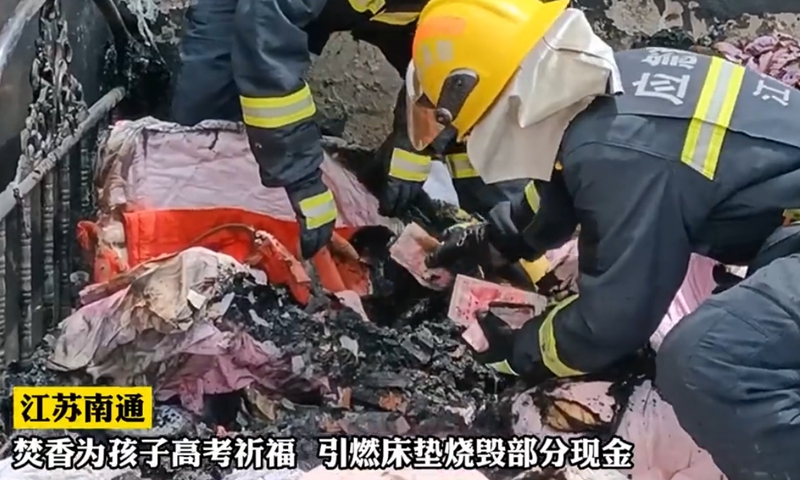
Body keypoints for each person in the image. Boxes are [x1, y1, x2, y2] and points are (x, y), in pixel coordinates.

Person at [406, 0, 800, 477]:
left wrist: (519, 351)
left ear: (478, 93)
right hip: (786, 232)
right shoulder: (618, 86)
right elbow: (567, 182)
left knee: (707, 361)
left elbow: (613, 321)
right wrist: (493, 241)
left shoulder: (617, 151)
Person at [169, 0, 520, 260]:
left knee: (465, 114)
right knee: (202, 126)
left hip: (400, 14)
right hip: (256, 8)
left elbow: (457, 74)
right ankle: (182, 244)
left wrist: (416, 146)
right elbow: (266, 54)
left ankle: (505, 235)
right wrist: (304, 182)